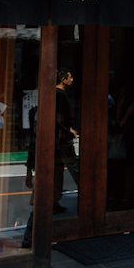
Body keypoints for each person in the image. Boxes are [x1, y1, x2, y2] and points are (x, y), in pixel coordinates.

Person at [54, 69, 80, 213]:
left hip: (62, 134)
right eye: (70, 77)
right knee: (73, 163)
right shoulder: (60, 94)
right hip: (63, 136)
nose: (72, 79)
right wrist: (67, 130)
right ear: (63, 79)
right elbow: (59, 116)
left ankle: (54, 200)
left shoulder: (58, 93)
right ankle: (85, 189)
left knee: (63, 165)